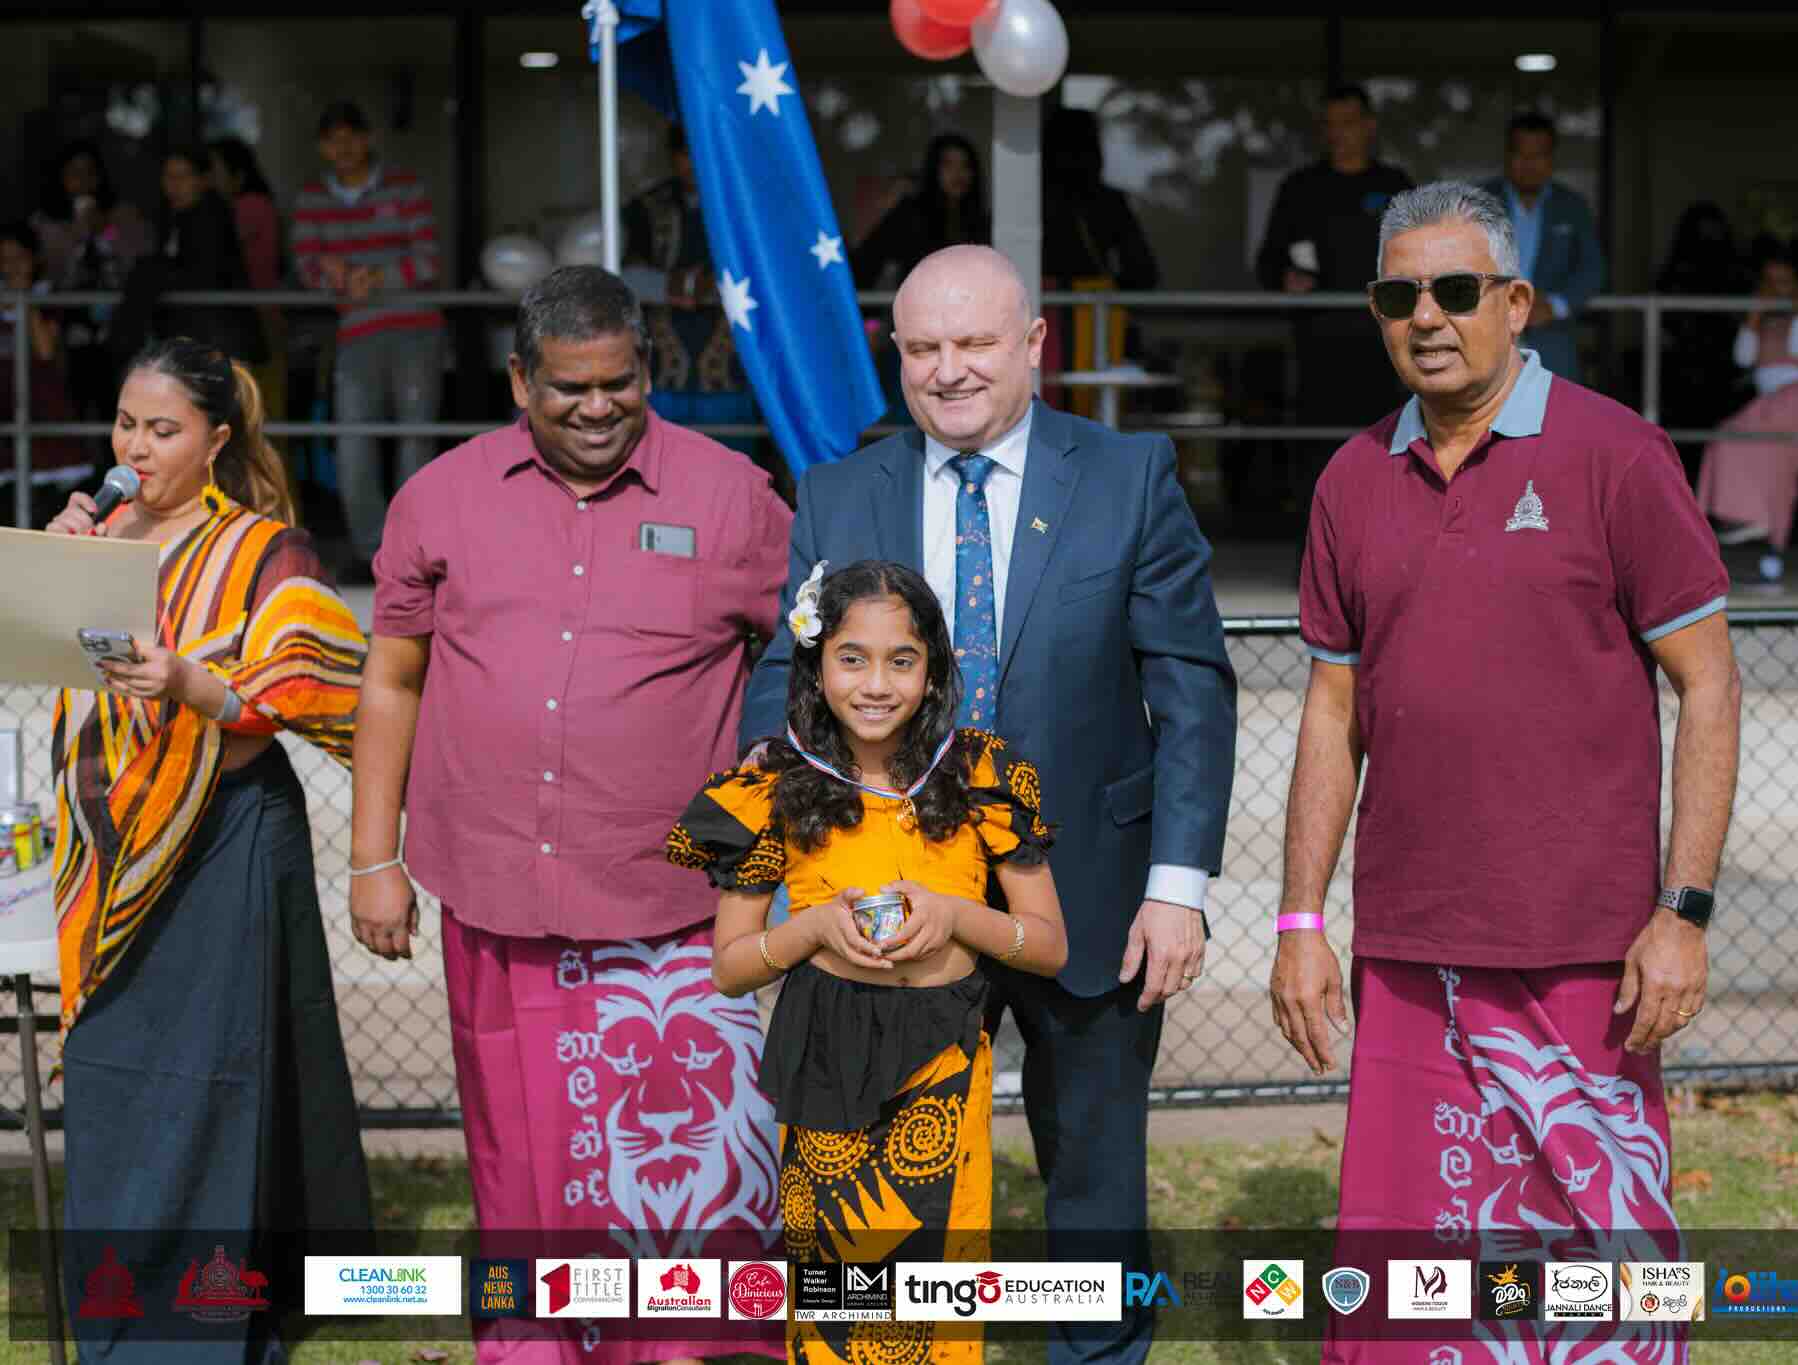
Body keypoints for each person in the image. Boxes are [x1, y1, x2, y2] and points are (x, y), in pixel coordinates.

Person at [740, 244, 1236, 1365]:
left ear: (1030, 345)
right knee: (870, 1162)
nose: (948, 370)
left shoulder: (1128, 474)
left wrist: (1177, 889)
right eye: (922, 348)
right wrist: (783, 869)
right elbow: (783, 683)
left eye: (973, 344)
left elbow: (1191, 692)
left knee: (1095, 1172)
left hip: (1095, 892)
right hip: (888, 898)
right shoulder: (836, 490)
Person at [1269, 183, 1739, 1365]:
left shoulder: (1615, 454)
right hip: (1411, 944)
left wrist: (1680, 911)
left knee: (1597, 1267)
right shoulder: (1346, 482)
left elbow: (1711, 684)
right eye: (1397, 294)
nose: (1426, 316)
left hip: (1587, 944)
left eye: (1456, 290)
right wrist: (1297, 918)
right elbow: (1331, 710)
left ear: (1515, 304)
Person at [348, 265, 792, 1364]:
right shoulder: (439, 499)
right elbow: (390, 681)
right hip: (498, 903)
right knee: (525, 1162)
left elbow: (810, 674)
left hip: (676, 915)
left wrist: (763, 842)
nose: (598, 409)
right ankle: (537, 1346)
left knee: (692, 1164)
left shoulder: (735, 496)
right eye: (568, 390)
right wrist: (372, 858)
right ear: (518, 382)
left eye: (620, 384)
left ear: (646, 368)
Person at [43, 336, 372, 1361]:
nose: (136, 447)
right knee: (111, 1081)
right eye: (126, 424)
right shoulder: (101, 536)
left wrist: (192, 683)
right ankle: (116, 1327)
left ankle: (204, 1332)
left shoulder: (264, 550)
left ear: (217, 440)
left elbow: (318, 688)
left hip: (225, 840)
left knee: (217, 1087)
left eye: (163, 429)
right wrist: (61, 577)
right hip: (109, 854)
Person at [673, 559, 1068, 1365]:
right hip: (827, 1055)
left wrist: (960, 914)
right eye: (851, 657)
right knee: (837, 1305)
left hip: (944, 1066)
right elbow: (731, 965)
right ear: (816, 667)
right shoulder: (773, 790)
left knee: (935, 1299)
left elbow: (1050, 945)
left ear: (935, 671)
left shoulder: (979, 777)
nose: (876, 683)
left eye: (902, 659)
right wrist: (812, 928)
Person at [290, 100, 443, 579]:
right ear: (322, 147)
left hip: (416, 329)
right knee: (353, 441)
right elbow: (305, 265)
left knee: (415, 442)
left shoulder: (406, 189)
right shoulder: (313, 200)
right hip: (357, 333)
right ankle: (369, 549)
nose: (343, 148)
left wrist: (373, 277)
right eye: (333, 140)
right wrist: (333, 278)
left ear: (368, 139)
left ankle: (412, 549)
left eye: (351, 137)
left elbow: (429, 260)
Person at [1255, 84, 1416, 506]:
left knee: (1386, 451)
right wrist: (1286, 279)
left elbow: (1423, 259)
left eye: (1348, 123)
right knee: (1318, 457)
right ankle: (1317, 556)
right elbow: (1267, 263)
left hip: (1385, 346)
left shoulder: (1395, 185)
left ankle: (1381, 556)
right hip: (1318, 346)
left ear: (1369, 126)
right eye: (1329, 125)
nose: (1339, 133)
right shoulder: (1300, 187)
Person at [1693, 238, 1798, 588]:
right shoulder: (1763, 317)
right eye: (1770, 283)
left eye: (1784, 282)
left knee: (1780, 477)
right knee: (1728, 444)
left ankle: (1762, 540)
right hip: (1770, 400)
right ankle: (1746, 524)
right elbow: (1743, 358)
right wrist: (1755, 317)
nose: (1776, 290)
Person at [623, 124, 758, 443]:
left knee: (731, 478)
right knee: (661, 475)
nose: (694, 163)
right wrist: (671, 286)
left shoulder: (747, 206)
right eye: (686, 153)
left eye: (702, 152)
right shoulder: (646, 208)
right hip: (662, 375)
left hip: (729, 374)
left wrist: (714, 285)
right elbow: (619, 275)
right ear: (673, 157)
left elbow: (774, 275)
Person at [1040, 107, 1159, 421]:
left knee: (1041, 403)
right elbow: (1143, 272)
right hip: (1096, 316)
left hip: (1038, 312)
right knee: (1096, 409)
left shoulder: (1027, 200)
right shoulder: (1108, 202)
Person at [109, 147, 266, 370]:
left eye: (183, 176)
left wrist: (149, 274)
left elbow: (201, 273)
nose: (174, 184)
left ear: (204, 180)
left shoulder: (212, 217)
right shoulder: (171, 218)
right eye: (168, 176)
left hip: (219, 343)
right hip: (195, 343)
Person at [1479, 112, 1604, 384]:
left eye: (1539, 155)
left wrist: (1555, 306)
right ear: (1506, 156)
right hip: (1486, 336)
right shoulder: (1477, 202)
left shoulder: (1572, 206)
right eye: (1521, 154)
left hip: (1552, 340)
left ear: (1552, 159)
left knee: (1557, 421)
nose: (1529, 164)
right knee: (1483, 422)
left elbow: (1593, 269)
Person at [30, 140, 151, 420]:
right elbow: (47, 273)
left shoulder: (123, 217)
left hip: (116, 329)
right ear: (61, 179)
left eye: (89, 173)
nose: (82, 182)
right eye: (74, 174)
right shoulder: (45, 224)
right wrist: (78, 233)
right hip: (65, 331)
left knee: (119, 406)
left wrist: (105, 229)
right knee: (71, 402)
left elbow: (138, 264)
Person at [0, 219, 91, 523]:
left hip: (48, 421)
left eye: (17, 259)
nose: (10, 266)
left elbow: (45, 350)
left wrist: (23, 297)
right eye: (4, 260)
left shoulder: (49, 297)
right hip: (8, 424)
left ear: (34, 260)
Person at [1654, 201, 1748, 484]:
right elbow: (1665, 315)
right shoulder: (1678, 269)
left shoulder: (1733, 269)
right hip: (1688, 365)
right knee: (1686, 441)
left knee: (1716, 437)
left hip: (1719, 364)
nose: (1708, 238)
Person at [210, 137, 289, 425]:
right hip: (253, 318)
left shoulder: (250, 207)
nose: (207, 180)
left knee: (262, 414)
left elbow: (217, 251)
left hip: (260, 320)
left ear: (238, 175)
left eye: (213, 171)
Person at [852, 132, 991, 290]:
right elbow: (867, 263)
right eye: (948, 165)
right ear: (934, 170)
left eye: (965, 165)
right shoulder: (910, 215)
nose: (957, 173)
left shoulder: (981, 222)